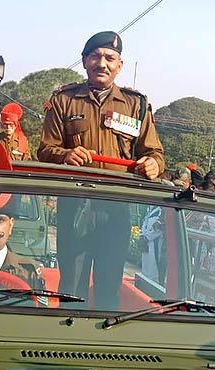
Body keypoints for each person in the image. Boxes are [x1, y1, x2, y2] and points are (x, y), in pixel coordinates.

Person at [37, 30, 164, 306]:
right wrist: (66, 156)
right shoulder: (64, 100)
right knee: (71, 287)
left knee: (109, 286)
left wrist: (153, 164)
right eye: (95, 56)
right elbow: (45, 151)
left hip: (116, 207)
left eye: (109, 57)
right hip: (75, 206)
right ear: (84, 61)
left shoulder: (136, 105)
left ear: (120, 65)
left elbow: (155, 153)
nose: (102, 63)